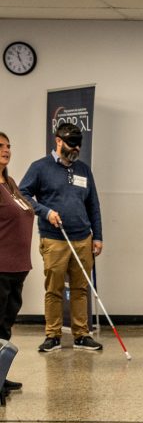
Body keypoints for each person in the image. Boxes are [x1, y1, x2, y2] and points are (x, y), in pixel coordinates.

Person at [19, 123, 103, 354]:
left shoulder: (83, 170)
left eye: (78, 145)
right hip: (54, 239)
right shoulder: (39, 167)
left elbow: (93, 204)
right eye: (70, 144)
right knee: (54, 289)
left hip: (83, 238)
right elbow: (22, 194)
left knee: (80, 289)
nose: (75, 149)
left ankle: (81, 335)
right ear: (58, 141)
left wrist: (98, 236)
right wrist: (45, 211)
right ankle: (52, 335)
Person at [0, 132, 34, 397]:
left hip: (17, 266)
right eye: (0, 146)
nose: (6, 150)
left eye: (9, 146)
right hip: (1, 266)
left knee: (5, 325)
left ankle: (1, 374)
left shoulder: (9, 182)